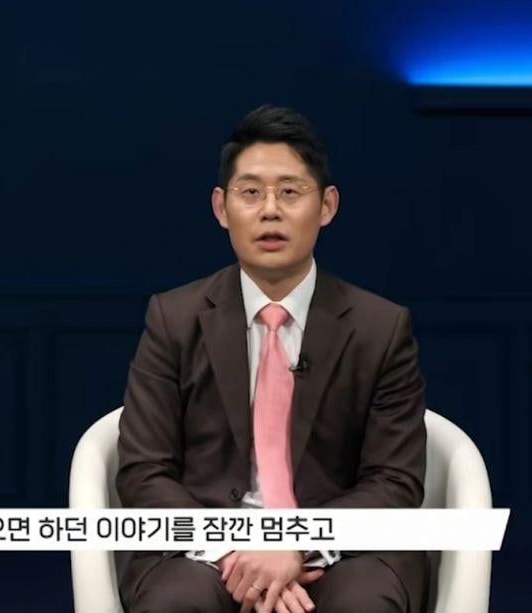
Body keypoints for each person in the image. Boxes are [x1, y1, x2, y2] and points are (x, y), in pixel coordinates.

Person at [116, 104, 428, 613]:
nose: (269, 211)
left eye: (289, 192)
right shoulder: (173, 319)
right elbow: (143, 471)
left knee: (364, 602)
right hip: (206, 551)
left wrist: (297, 543)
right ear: (221, 208)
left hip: (340, 551)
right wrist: (236, 552)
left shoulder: (381, 328)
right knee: (176, 601)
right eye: (251, 193)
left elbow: (395, 480)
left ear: (327, 206)